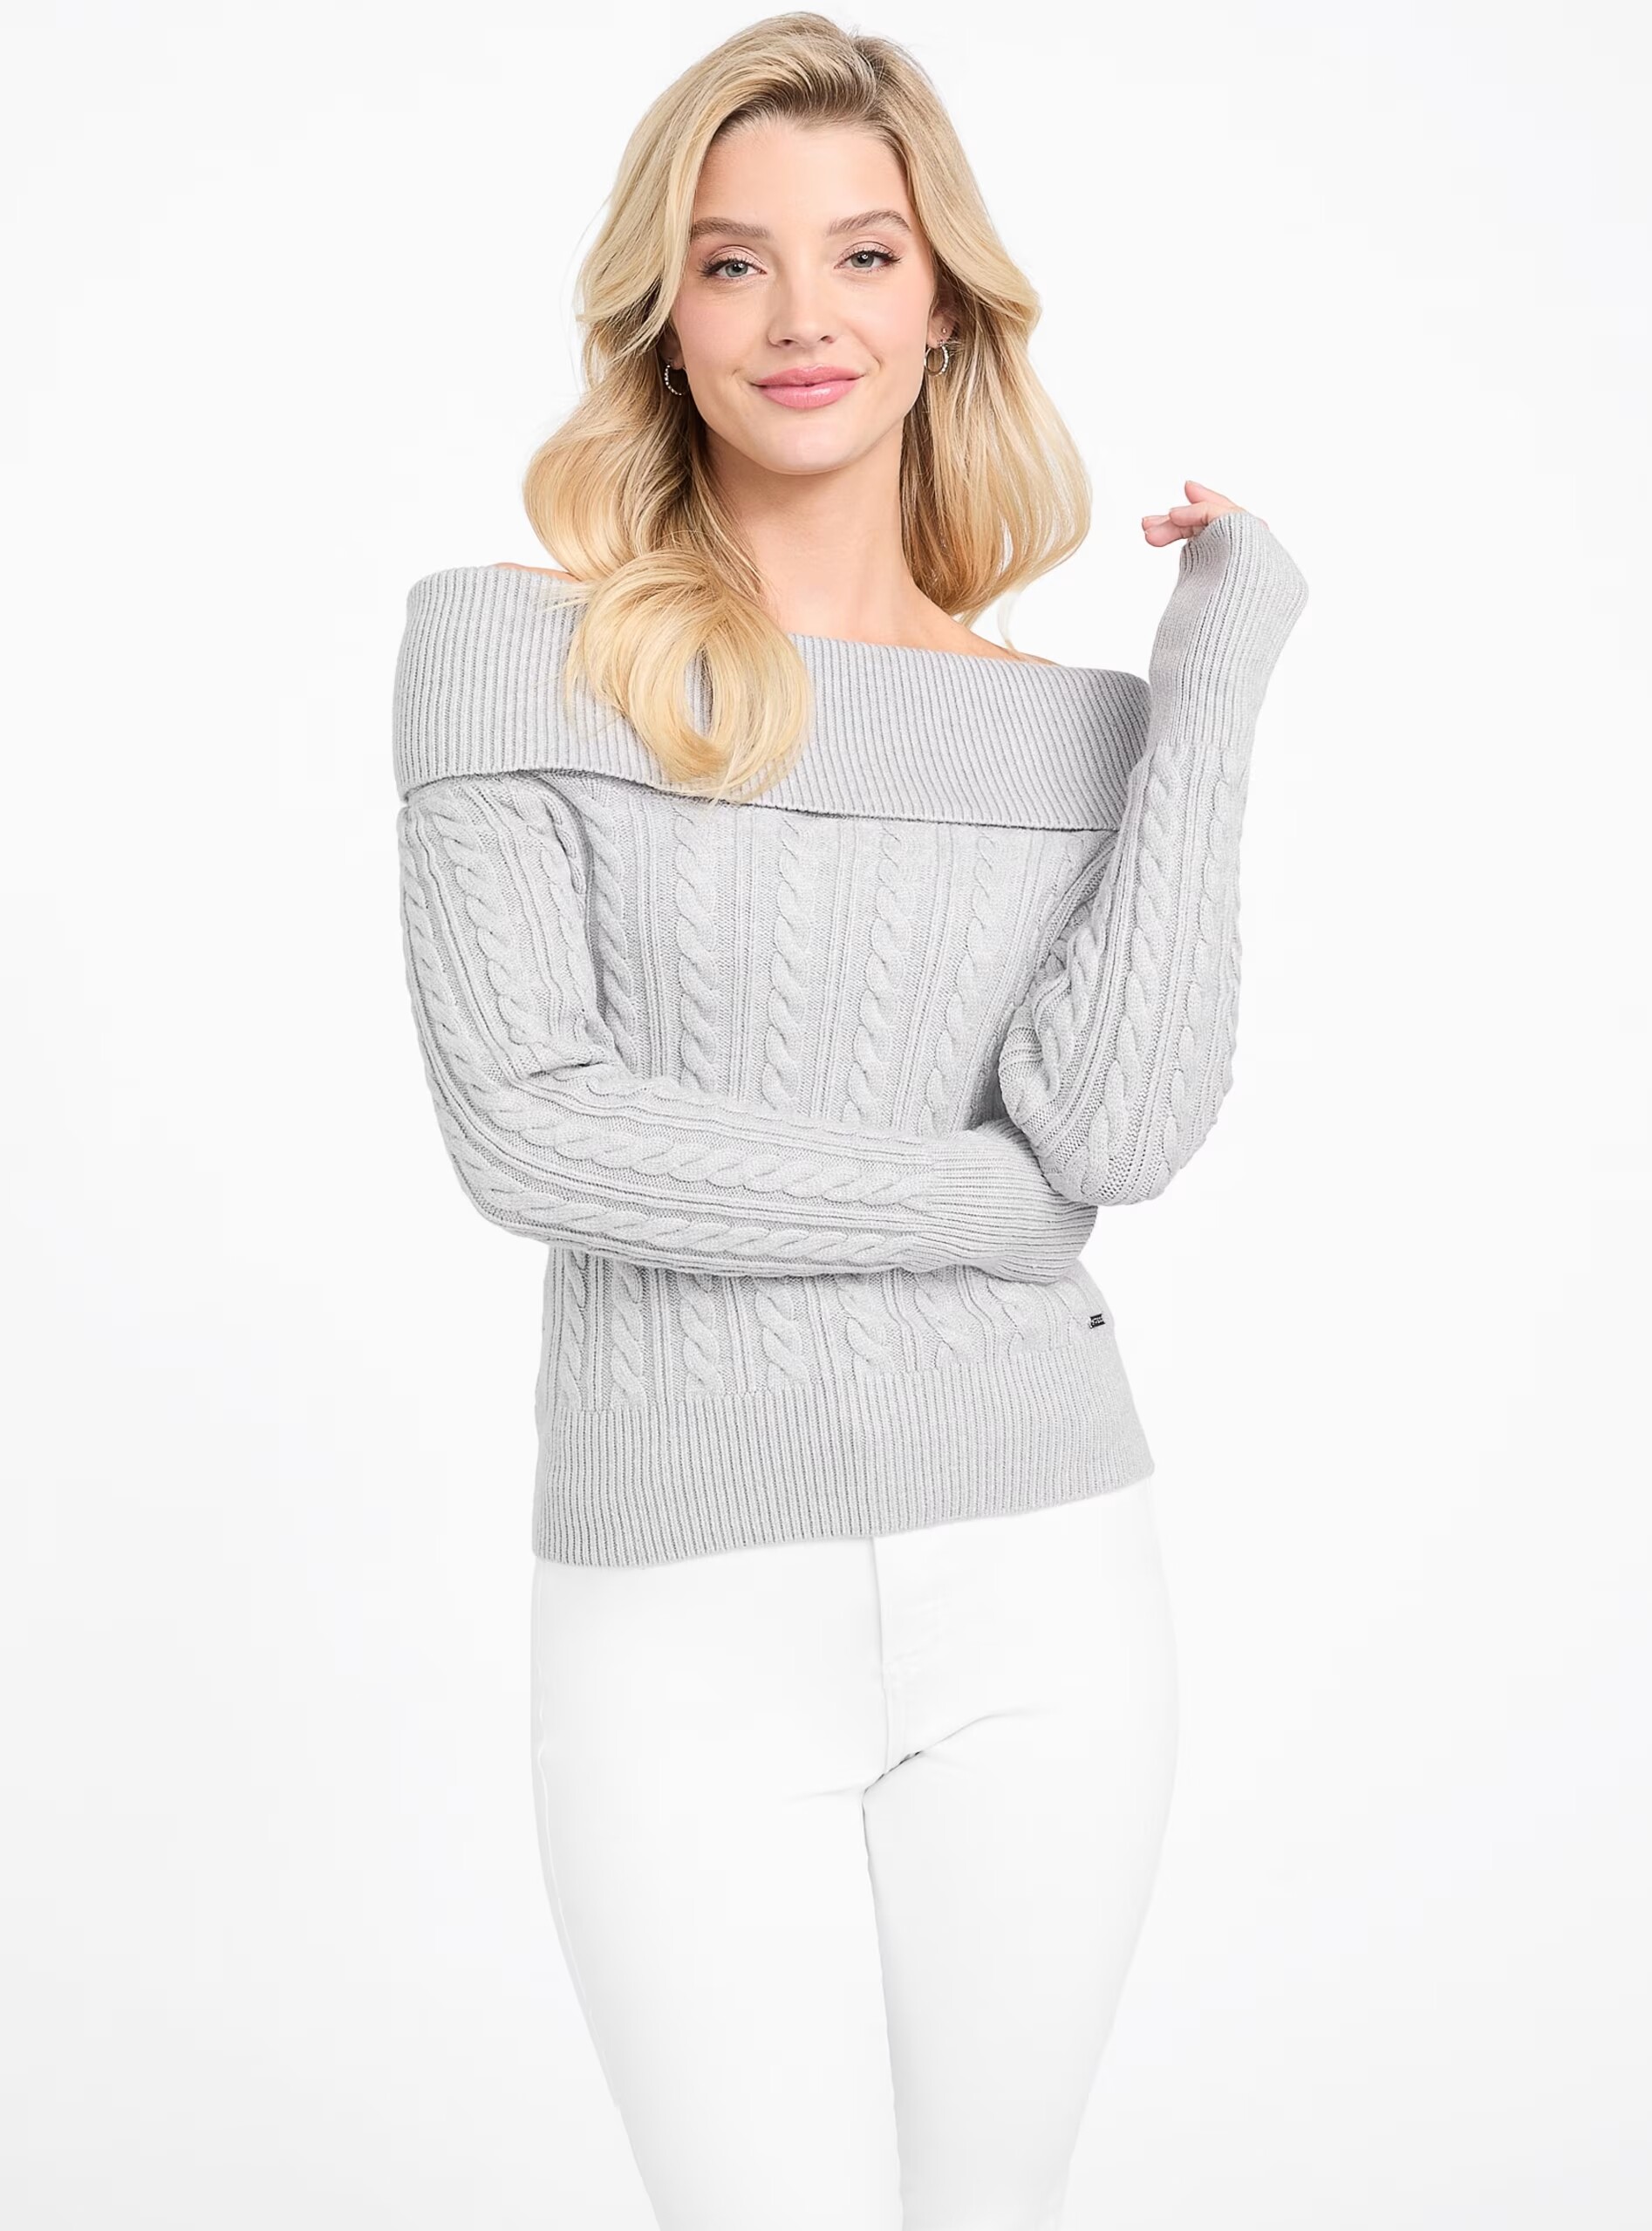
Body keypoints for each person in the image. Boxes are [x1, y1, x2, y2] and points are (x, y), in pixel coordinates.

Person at [391, 13, 1307, 2228]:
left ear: (945, 303)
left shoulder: (1076, 732)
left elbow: (1117, 1126)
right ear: (663, 314)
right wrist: (985, 1211)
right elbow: (531, 1130)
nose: (802, 314)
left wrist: (1210, 688)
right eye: (733, 261)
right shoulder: (506, 654)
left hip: (1049, 1581)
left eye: (864, 253)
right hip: (676, 1600)